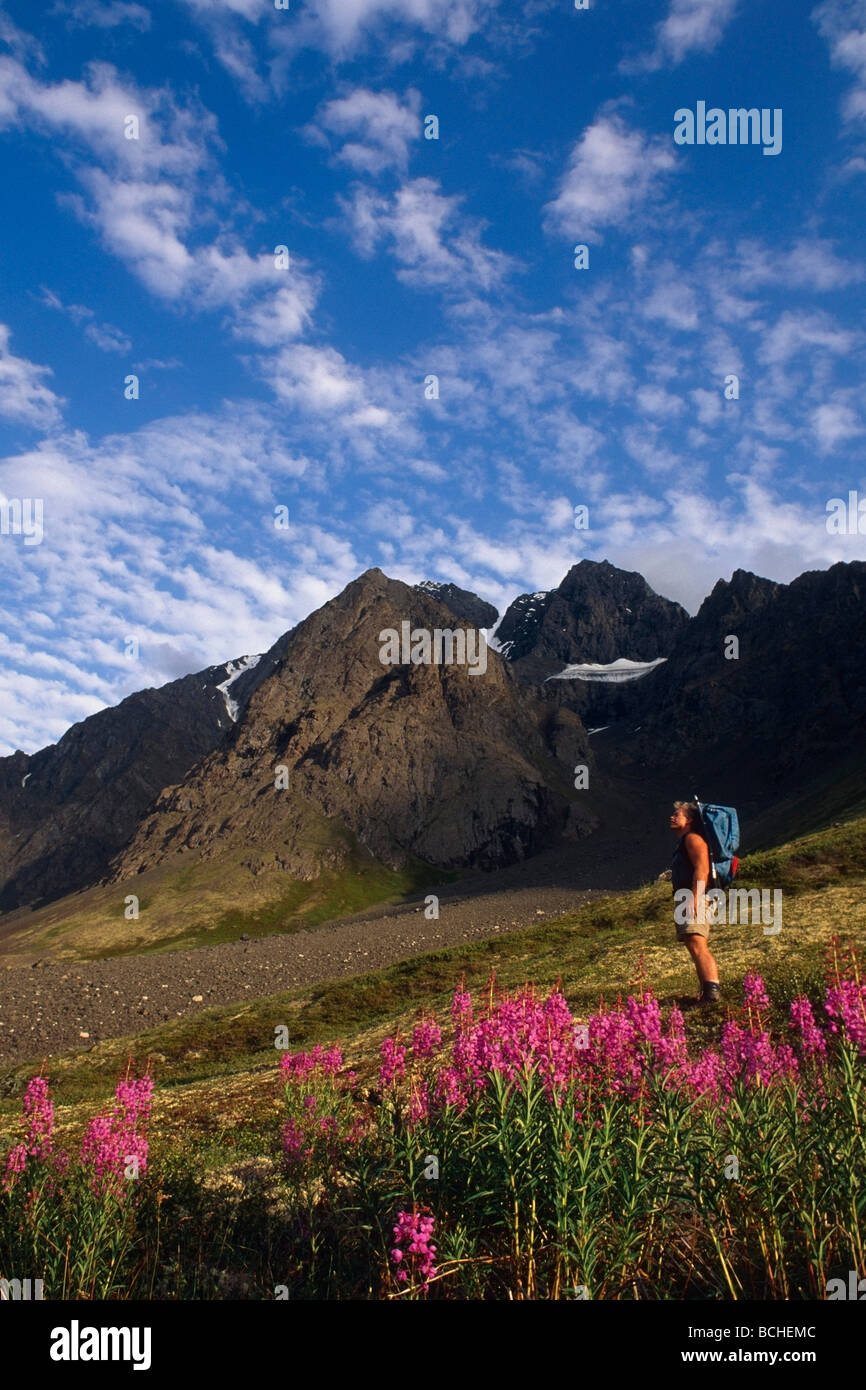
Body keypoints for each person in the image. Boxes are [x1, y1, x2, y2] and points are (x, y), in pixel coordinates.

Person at [669, 801, 721, 1007]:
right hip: (688, 895)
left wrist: (695, 897)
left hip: (694, 895)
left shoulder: (692, 839)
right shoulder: (685, 841)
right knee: (693, 942)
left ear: (689, 819)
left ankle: (712, 993)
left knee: (698, 942)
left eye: (677, 814)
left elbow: (702, 869)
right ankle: (706, 992)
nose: (672, 817)